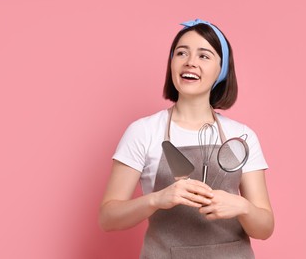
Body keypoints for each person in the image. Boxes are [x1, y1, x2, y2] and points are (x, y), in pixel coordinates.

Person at [99, 19, 274, 259]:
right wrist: (157, 199)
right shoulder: (144, 131)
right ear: (172, 63)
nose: (190, 62)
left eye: (204, 56)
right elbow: (108, 218)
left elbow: (264, 228)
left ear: (221, 70)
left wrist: (242, 207)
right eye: (181, 53)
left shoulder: (240, 137)